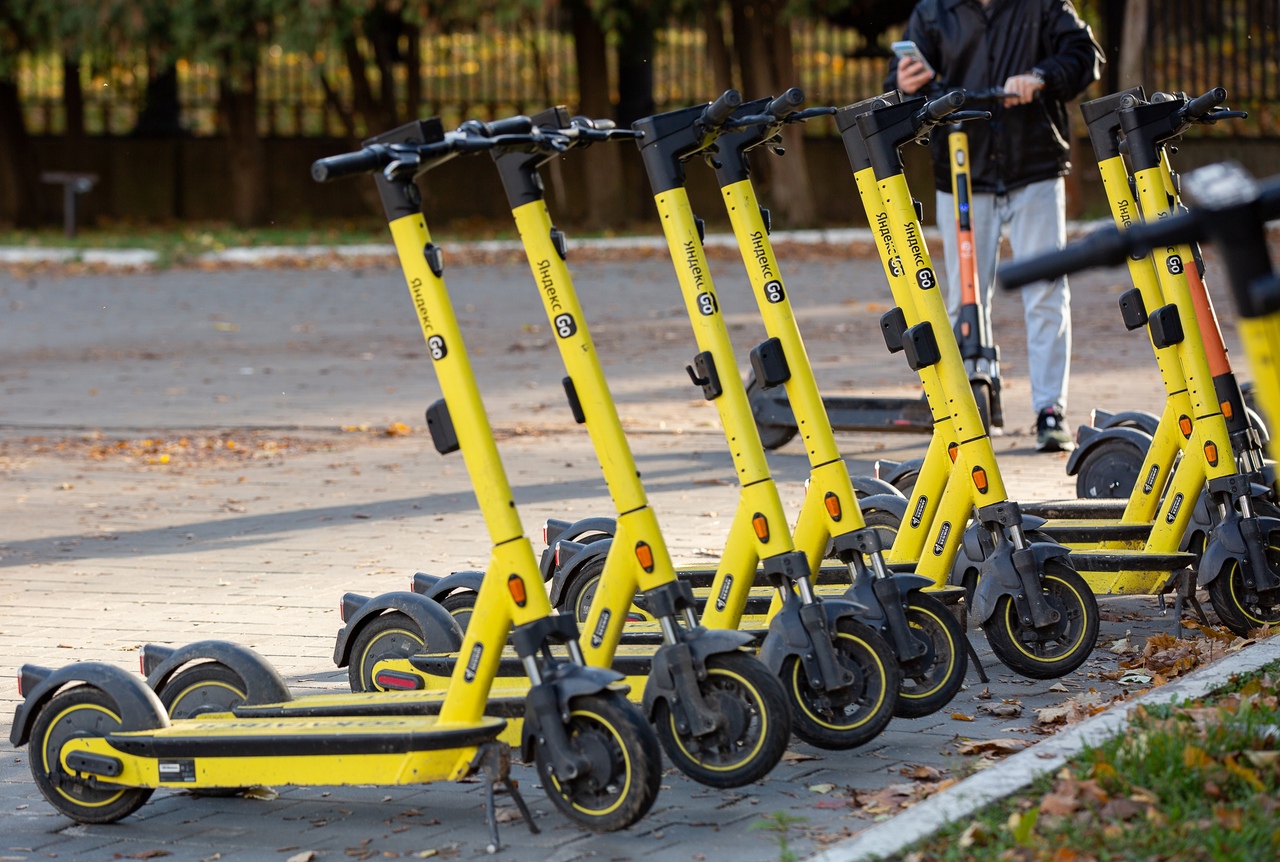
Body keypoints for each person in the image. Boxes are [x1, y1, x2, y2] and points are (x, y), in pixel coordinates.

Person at [886, 0, 1104, 451]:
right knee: (963, 298)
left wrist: (1041, 76)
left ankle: (1049, 411)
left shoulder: (1042, 5)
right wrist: (904, 88)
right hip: (963, 169)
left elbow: (1086, 57)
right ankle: (964, 409)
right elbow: (897, 95)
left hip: (1035, 168)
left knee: (1046, 291)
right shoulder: (932, 12)